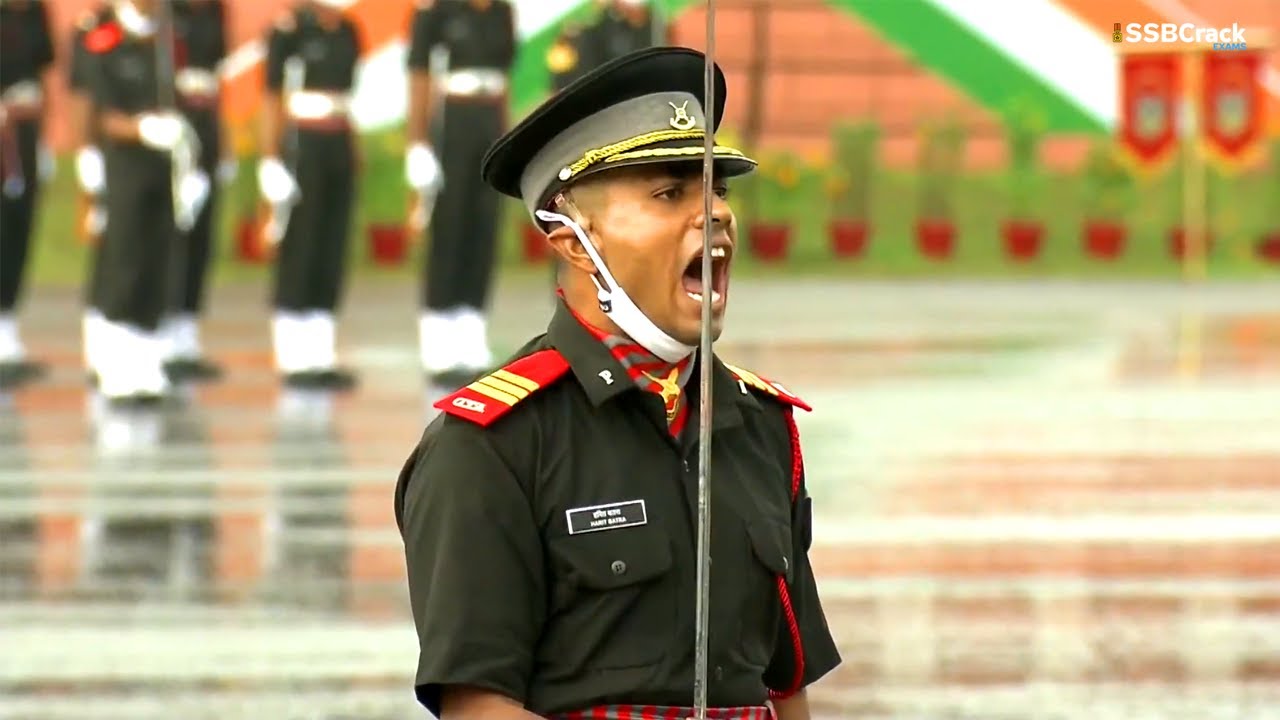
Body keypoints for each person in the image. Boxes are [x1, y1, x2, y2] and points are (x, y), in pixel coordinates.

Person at [395, 47, 840, 719]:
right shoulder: (492, 446)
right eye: (670, 193)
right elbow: (477, 704)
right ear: (576, 239)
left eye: (718, 188)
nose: (714, 213)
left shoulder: (762, 426)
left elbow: (785, 684)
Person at [80, 0, 210, 405]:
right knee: (126, 265)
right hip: (126, 170)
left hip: (165, 168)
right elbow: (101, 113)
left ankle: (146, 361)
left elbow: (183, 99)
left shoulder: (170, 38)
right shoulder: (107, 39)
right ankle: (118, 365)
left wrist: (190, 164)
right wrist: (140, 128)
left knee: (158, 264)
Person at [404, 0, 517, 388]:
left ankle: (472, 335)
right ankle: (437, 340)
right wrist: (418, 143)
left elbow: (504, 79)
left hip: (489, 121)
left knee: (483, 227)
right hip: (452, 120)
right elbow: (420, 76)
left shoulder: (501, 11)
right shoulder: (437, 11)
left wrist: (508, 138)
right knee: (449, 228)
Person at [259, 0, 363, 391]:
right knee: (301, 244)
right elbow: (272, 96)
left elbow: (346, 95)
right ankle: (292, 354)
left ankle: (321, 351)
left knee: (330, 244)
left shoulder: (348, 31)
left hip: (336, 139)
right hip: (301, 141)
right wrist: (271, 160)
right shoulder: (290, 30)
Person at [161, 0, 231, 382]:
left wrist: (223, 141)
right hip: (172, 122)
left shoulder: (215, 10)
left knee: (200, 234)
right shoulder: (161, 11)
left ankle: (185, 338)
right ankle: (158, 335)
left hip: (205, 123)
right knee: (168, 234)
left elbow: (216, 75)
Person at [0, 0, 55, 390]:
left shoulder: (35, 12)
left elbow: (44, 73)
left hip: (25, 133)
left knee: (21, 226)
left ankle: (7, 330)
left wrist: (46, 140)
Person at [68, 2, 114, 387]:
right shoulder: (98, 30)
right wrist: (87, 153)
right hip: (110, 151)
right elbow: (84, 94)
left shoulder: (160, 27)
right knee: (111, 250)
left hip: (152, 151)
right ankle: (99, 346)